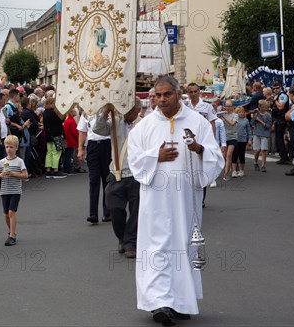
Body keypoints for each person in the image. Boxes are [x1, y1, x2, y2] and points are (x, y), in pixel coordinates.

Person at [127, 76, 224, 325]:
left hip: (185, 200)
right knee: (157, 248)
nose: (161, 100)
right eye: (157, 95)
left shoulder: (197, 122)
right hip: (155, 201)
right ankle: (160, 302)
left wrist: (199, 150)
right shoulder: (144, 126)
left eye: (166, 94)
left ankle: (180, 301)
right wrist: (154, 156)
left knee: (183, 247)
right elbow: (134, 160)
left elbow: (215, 157)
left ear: (178, 93)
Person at [93, 99, 142, 259]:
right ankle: (121, 237)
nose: (126, 113)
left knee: (136, 211)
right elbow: (98, 129)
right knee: (115, 208)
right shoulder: (116, 122)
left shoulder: (144, 124)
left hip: (137, 174)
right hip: (117, 173)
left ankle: (130, 242)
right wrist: (106, 110)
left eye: (130, 109)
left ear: (138, 110)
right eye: (124, 109)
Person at [77, 111, 111, 224]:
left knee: (107, 179)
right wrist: (80, 149)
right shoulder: (87, 112)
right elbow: (82, 131)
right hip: (92, 144)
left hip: (107, 143)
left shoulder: (109, 109)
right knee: (94, 179)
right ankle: (93, 213)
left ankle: (107, 212)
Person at [0, 135, 28, 246]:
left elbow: (25, 175)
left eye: (11, 147)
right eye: (7, 147)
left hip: (15, 190)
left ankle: (12, 236)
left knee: (11, 212)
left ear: (16, 148)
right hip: (4, 190)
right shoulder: (2, 162)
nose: (9, 149)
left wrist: (13, 173)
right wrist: (0, 175)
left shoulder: (19, 161)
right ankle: (11, 231)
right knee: (5, 214)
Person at [42, 97, 66, 178]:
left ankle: (48, 170)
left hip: (48, 135)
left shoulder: (45, 112)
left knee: (49, 153)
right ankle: (55, 170)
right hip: (56, 134)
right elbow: (60, 121)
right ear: (51, 103)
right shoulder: (52, 113)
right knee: (56, 152)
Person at [271, 82, 291, 164]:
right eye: (274, 88)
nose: (275, 90)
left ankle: (284, 157)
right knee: (278, 139)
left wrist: (275, 100)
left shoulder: (282, 96)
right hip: (278, 119)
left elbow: (280, 107)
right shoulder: (278, 95)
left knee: (279, 139)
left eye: (277, 88)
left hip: (281, 120)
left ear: (281, 88)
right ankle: (283, 156)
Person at [251, 99, 272, 172]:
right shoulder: (257, 113)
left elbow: (268, 126)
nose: (264, 108)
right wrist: (255, 116)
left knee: (263, 150)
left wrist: (260, 121)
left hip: (265, 134)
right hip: (257, 133)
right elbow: (252, 123)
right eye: (262, 107)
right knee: (257, 150)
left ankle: (263, 165)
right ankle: (255, 162)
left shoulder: (268, 115)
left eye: (265, 107)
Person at [220, 100, 238, 180]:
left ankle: (226, 174)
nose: (228, 108)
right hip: (224, 137)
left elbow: (232, 124)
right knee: (223, 156)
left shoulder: (235, 115)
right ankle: (226, 168)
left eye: (229, 106)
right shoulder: (222, 114)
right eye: (226, 106)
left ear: (232, 107)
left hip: (232, 137)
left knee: (229, 155)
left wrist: (224, 117)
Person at [232, 106, 251, 177]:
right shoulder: (234, 119)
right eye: (239, 112)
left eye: (242, 112)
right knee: (234, 155)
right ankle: (234, 171)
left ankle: (241, 170)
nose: (241, 113)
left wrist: (249, 140)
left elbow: (249, 131)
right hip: (234, 139)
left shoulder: (246, 120)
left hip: (243, 140)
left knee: (241, 155)